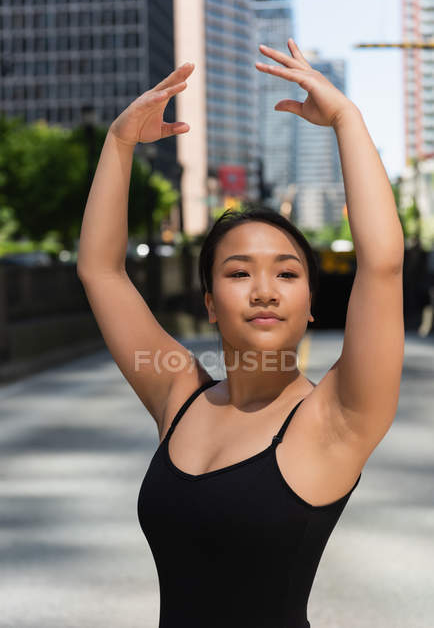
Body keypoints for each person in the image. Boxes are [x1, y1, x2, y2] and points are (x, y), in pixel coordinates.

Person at [77, 38, 405, 628]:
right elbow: (101, 271)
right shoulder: (181, 396)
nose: (263, 289)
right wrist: (119, 143)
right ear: (209, 303)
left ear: (310, 304)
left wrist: (346, 121)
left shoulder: (335, 419)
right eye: (238, 272)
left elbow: (381, 265)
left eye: (286, 272)